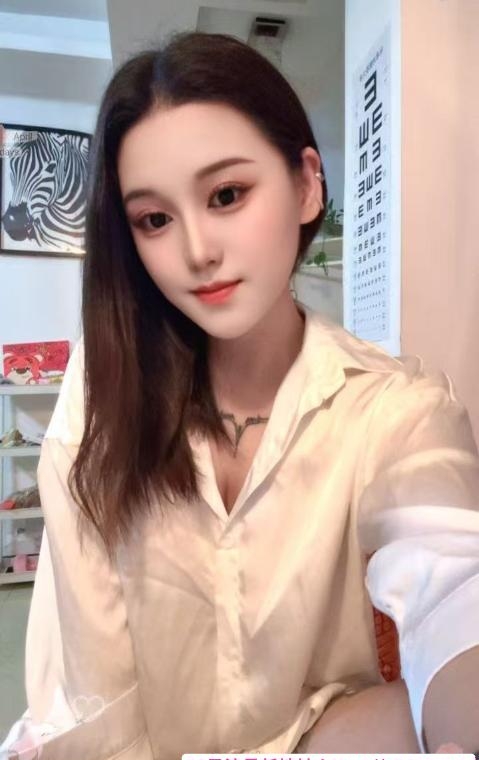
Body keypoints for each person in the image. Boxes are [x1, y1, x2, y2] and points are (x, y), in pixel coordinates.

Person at [1, 31, 479, 760]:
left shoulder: (391, 409)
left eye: (226, 195)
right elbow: (94, 700)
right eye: (154, 219)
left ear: (307, 186)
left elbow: (454, 592)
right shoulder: (102, 401)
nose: (197, 251)